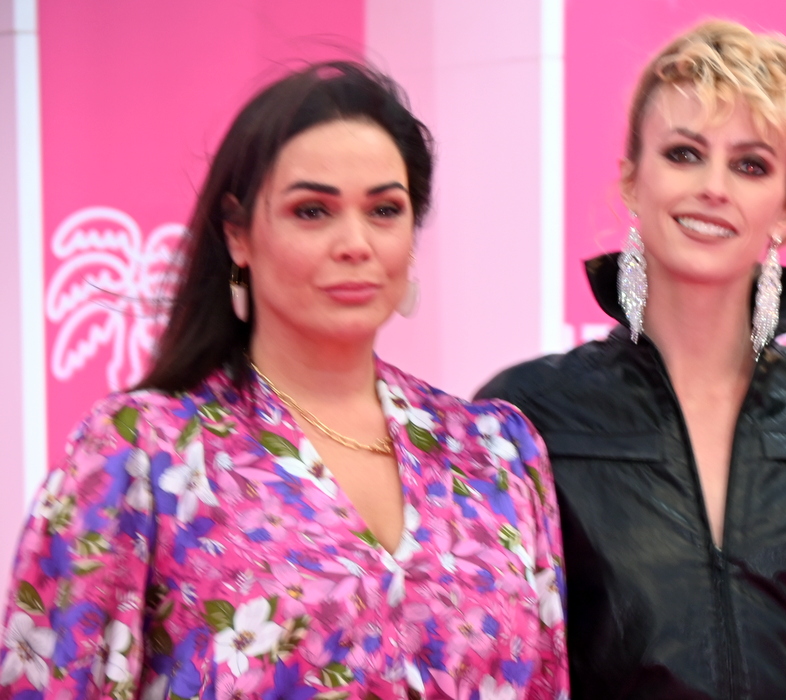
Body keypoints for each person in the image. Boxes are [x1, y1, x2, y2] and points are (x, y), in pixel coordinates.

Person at [1, 61, 567, 700]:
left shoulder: (496, 454)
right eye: (312, 211)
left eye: (384, 209)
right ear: (238, 234)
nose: (355, 242)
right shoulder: (142, 450)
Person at [478, 20, 786, 700]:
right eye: (684, 153)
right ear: (632, 181)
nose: (714, 187)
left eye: (750, 165)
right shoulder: (526, 418)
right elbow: (488, 663)